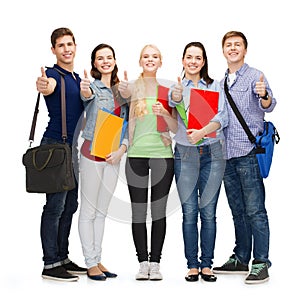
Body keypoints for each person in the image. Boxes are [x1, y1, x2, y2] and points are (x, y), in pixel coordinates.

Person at [212, 31, 277, 284]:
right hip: (226, 155)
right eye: (228, 45)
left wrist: (264, 94)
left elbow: (269, 105)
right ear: (223, 51)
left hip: (248, 152)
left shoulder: (255, 76)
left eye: (237, 44)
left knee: (255, 210)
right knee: (237, 210)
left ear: (245, 50)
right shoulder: (220, 83)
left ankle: (261, 262)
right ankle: (241, 257)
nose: (232, 48)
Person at [169, 42, 228, 282]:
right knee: (189, 211)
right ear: (183, 60)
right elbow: (171, 120)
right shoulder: (176, 87)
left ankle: (207, 265)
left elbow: (222, 117)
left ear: (203, 62)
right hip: (185, 154)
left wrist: (202, 132)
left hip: (212, 154)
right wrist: (173, 99)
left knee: (209, 213)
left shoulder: (215, 86)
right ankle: (192, 265)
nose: (193, 61)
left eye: (198, 58)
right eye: (189, 57)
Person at [119, 44, 177, 280]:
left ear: (160, 62)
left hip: (162, 154)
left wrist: (164, 112)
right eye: (146, 56)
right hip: (136, 155)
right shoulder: (132, 87)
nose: (150, 59)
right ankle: (142, 262)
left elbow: (175, 127)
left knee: (159, 211)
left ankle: (156, 263)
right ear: (140, 61)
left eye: (154, 56)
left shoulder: (168, 88)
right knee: (138, 211)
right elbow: (121, 100)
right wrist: (121, 89)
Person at [35, 27, 86, 282]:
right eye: (61, 45)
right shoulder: (53, 75)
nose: (66, 49)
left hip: (71, 149)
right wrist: (43, 85)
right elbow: (47, 86)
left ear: (75, 46)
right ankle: (50, 263)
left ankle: (63, 257)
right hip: (55, 146)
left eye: (70, 44)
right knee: (55, 206)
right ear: (53, 50)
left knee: (70, 205)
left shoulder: (77, 78)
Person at [78, 43, 128, 281]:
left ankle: (97, 259)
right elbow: (85, 97)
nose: (105, 61)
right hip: (91, 154)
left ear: (115, 61)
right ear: (95, 64)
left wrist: (121, 150)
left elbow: (129, 125)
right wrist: (86, 89)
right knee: (88, 211)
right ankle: (89, 262)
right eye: (100, 58)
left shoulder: (121, 91)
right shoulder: (92, 88)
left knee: (102, 211)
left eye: (109, 57)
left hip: (113, 156)